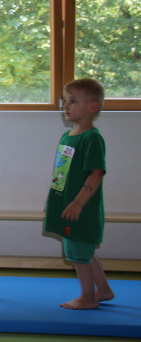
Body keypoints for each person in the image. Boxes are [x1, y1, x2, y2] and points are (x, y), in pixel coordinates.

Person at [43, 78, 114, 310]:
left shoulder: (92, 138)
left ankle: (87, 297)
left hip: (81, 206)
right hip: (65, 203)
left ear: (93, 107)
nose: (66, 106)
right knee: (84, 249)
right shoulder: (68, 136)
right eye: (65, 101)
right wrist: (55, 200)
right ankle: (103, 289)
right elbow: (61, 174)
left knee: (78, 253)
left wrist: (78, 203)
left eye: (73, 101)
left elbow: (96, 175)